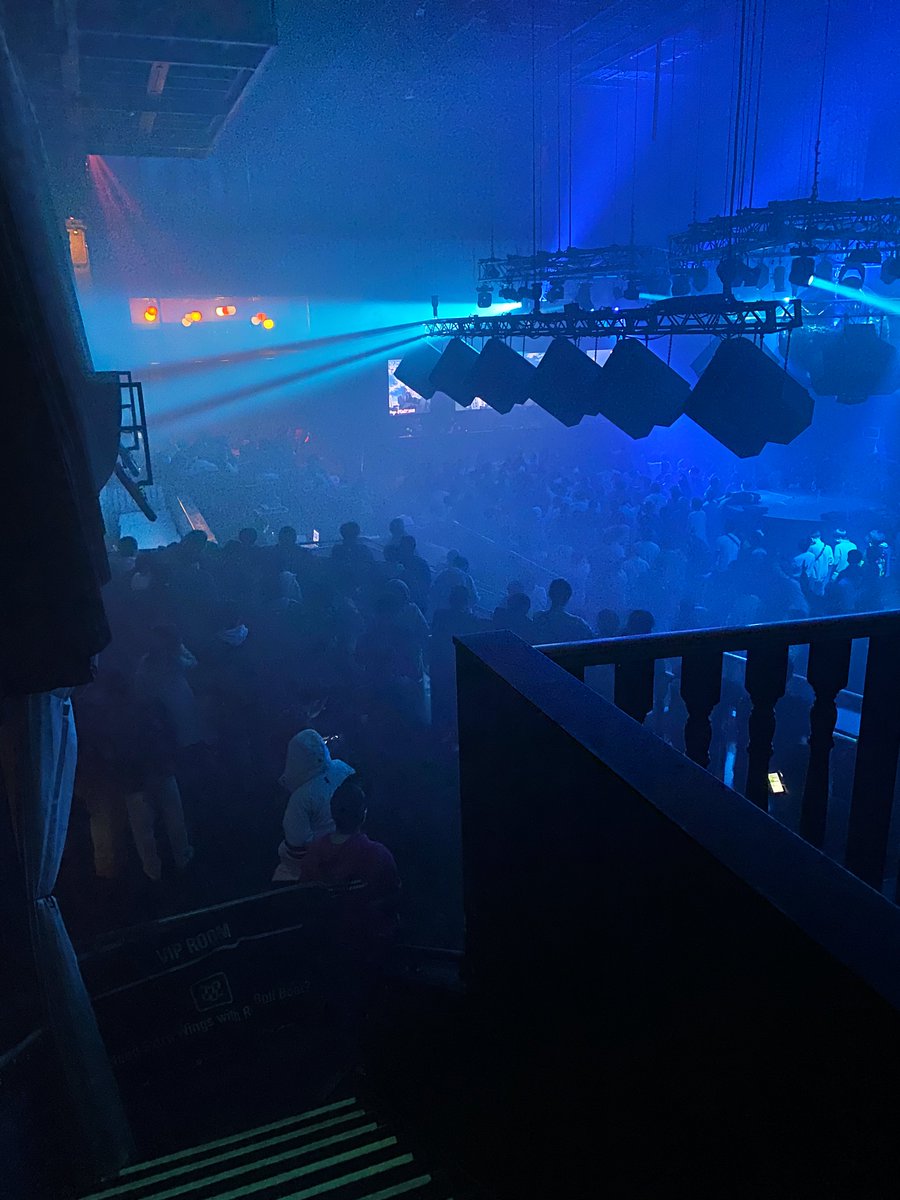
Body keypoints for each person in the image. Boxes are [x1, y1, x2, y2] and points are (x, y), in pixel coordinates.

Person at [299, 778, 400, 955]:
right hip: (369, 950)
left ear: (332, 812)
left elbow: (303, 899)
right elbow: (394, 900)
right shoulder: (377, 854)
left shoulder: (313, 853)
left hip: (323, 951)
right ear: (364, 813)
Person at [272, 729, 355, 882]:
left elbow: (296, 846)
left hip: (316, 868)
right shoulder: (342, 767)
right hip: (353, 848)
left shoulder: (300, 799)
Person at [532, 578, 593, 642]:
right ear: (568, 597)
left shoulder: (538, 618)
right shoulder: (577, 623)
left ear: (549, 594)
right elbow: (592, 640)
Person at [396, 534, 432, 613]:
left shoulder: (421, 564)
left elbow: (426, 585)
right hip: (397, 601)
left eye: (403, 546)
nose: (401, 548)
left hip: (416, 602)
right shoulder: (396, 562)